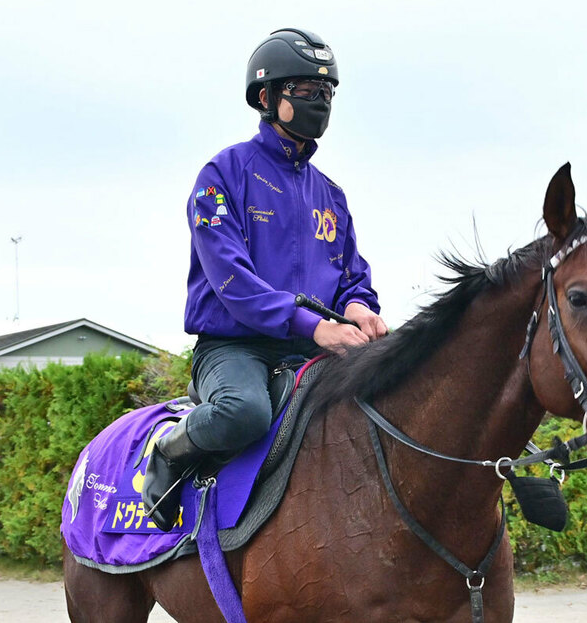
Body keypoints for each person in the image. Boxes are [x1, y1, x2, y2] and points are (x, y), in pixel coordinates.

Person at [142, 28, 387, 531]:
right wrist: (313, 326)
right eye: (306, 90)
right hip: (236, 349)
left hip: (313, 349)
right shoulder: (221, 176)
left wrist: (360, 307)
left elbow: (352, 276)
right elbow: (232, 282)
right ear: (266, 97)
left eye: (328, 93)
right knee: (246, 413)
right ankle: (169, 449)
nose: (320, 101)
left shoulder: (332, 196)